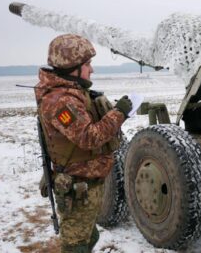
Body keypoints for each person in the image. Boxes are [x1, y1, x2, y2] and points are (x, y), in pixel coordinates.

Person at [35, 34, 132, 252]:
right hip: (78, 189)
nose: (92, 70)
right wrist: (119, 114)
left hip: (86, 187)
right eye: (87, 64)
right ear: (72, 67)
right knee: (76, 246)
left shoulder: (72, 93)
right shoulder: (61, 102)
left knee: (89, 238)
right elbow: (89, 137)